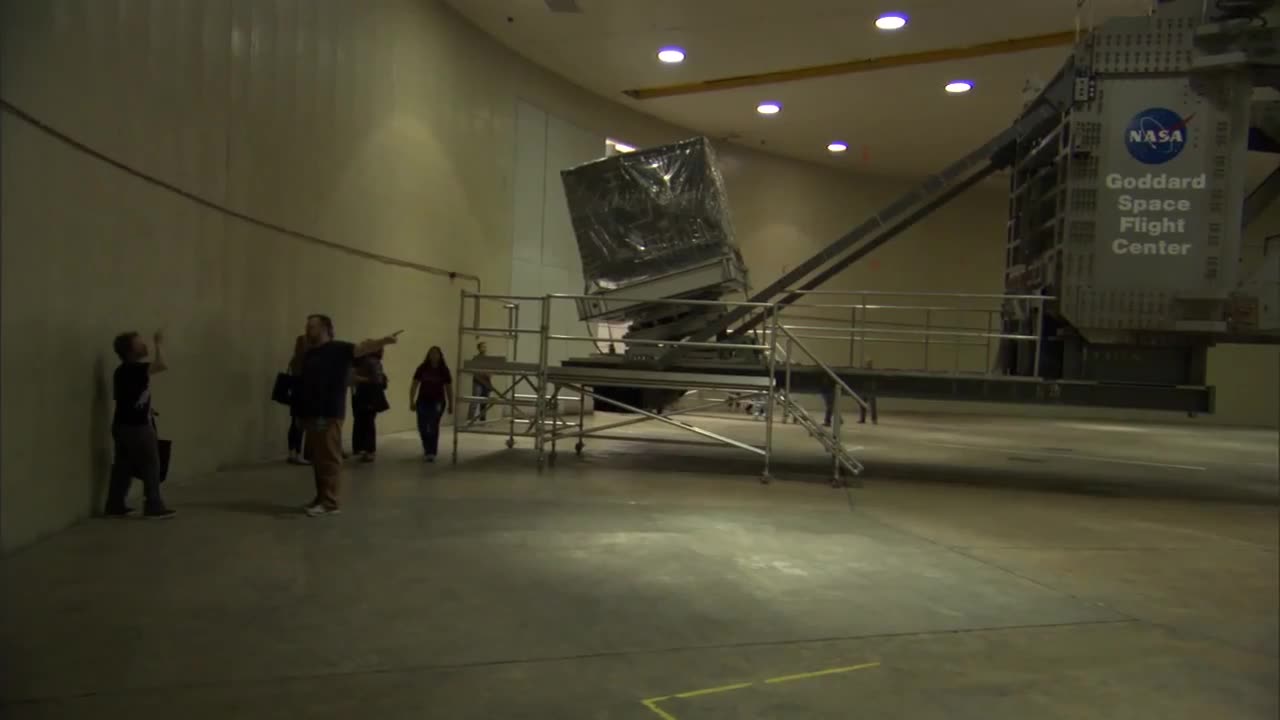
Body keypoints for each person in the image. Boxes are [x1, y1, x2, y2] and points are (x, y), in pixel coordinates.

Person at [296, 315, 401, 517]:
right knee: (318, 459)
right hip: (312, 412)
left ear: (326, 328)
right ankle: (321, 497)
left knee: (328, 458)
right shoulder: (310, 354)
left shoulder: (338, 349)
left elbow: (363, 347)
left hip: (329, 412)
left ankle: (330, 502)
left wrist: (385, 340)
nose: (308, 329)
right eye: (307, 326)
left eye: (312, 326)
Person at [105, 330, 176, 519]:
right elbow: (162, 365)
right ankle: (154, 505)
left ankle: (115, 504)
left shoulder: (121, 372)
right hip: (137, 428)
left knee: (123, 466)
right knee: (151, 464)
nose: (144, 346)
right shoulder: (134, 369)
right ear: (130, 351)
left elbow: (125, 398)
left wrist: (147, 409)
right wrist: (158, 343)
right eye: (139, 343)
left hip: (122, 426)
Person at [410, 346, 453, 462]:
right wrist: (411, 400)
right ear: (428, 355)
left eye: (436, 353)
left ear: (440, 356)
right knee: (422, 426)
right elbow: (414, 384)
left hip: (438, 401)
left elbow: (448, 388)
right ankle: (426, 448)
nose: (434, 355)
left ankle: (431, 451)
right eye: (432, 353)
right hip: (423, 400)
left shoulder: (443, 370)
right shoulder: (422, 368)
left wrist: (450, 404)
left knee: (433, 424)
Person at [351, 349, 389, 462]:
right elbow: (377, 379)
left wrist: (358, 378)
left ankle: (365, 449)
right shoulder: (369, 361)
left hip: (365, 394)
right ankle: (366, 449)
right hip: (366, 394)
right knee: (365, 421)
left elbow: (376, 379)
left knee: (364, 421)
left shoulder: (367, 361)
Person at [287, 334, 310, 465]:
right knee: (300, 424)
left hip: (295, 394)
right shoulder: (307, 359)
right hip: (304, 394)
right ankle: (298, 454)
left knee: (294, 423)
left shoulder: (294, 358)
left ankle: (291, 452)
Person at [467, 341, 493, 425]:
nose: (484, 348)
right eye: (482, 347)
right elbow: (473, 371)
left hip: (486, 382)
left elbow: (491, 372)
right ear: (478, 348)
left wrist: (487, 374)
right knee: (474, 401)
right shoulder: (476, 359)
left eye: (485, 347)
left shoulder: (488, 359)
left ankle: (483, 420)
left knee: (484, 402)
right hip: (478, 382)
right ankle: (470, 420)